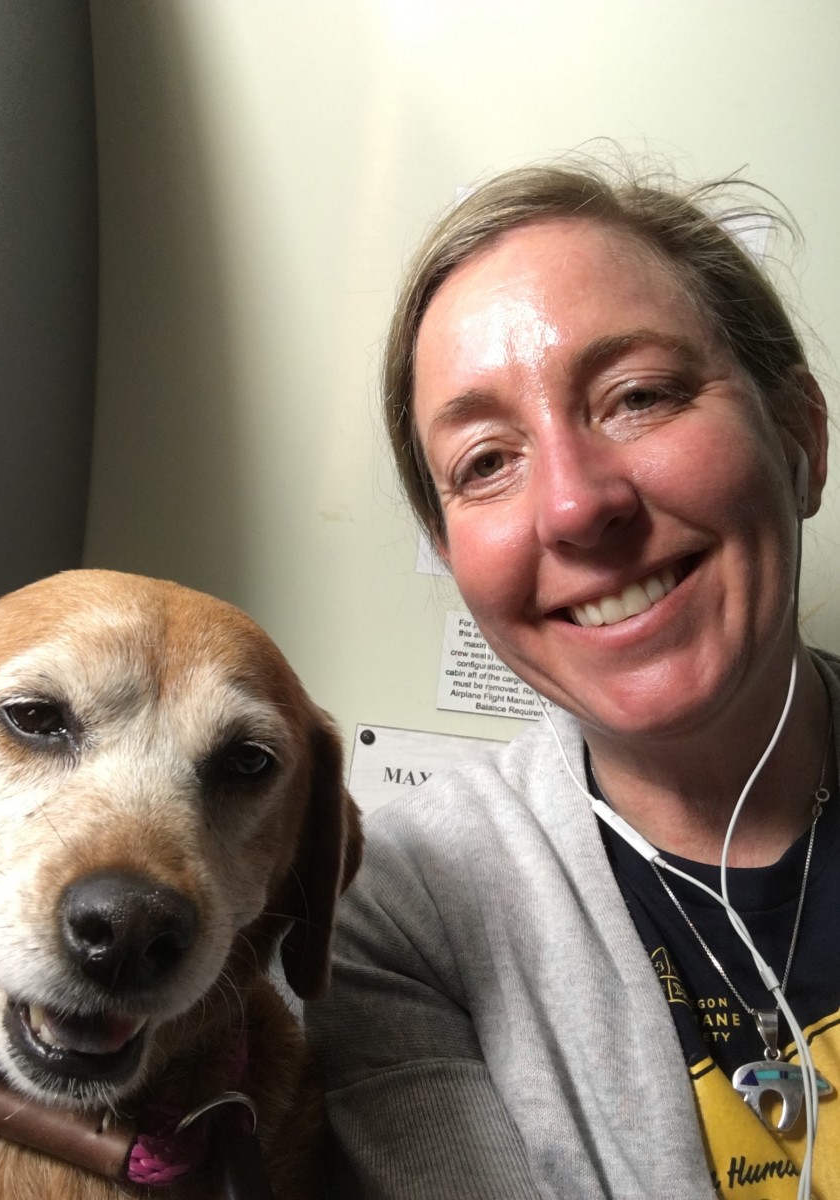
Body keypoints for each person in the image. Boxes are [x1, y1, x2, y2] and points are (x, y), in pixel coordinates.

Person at [306, 160, 840, 1200]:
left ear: (800, 435)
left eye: (638, 397)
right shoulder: (397, 919)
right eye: (486, 462)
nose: (574, 507)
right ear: (453, 556)